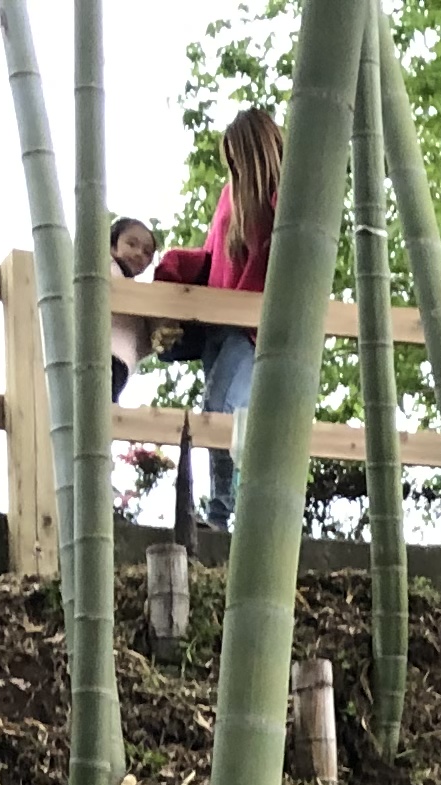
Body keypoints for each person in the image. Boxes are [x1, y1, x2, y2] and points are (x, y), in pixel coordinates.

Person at [153, 105, 279, 527]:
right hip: (216, 324)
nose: (233, 166)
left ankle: (223, 514)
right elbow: (212, 256)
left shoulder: (283, 193)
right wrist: (172, 268)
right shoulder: (230, 194)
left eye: (237, 157)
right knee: (224, 415)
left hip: (251, 327)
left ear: (253, 150)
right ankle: (230, 513)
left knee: (220, 407)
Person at [106, 212, 161, 400]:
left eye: (147, 252)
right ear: (112, 246)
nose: (139, 253)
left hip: (120, 366)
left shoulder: (133, 296)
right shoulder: (107, 267)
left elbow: (142, 341)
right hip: (101, 357)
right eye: (131, 244)